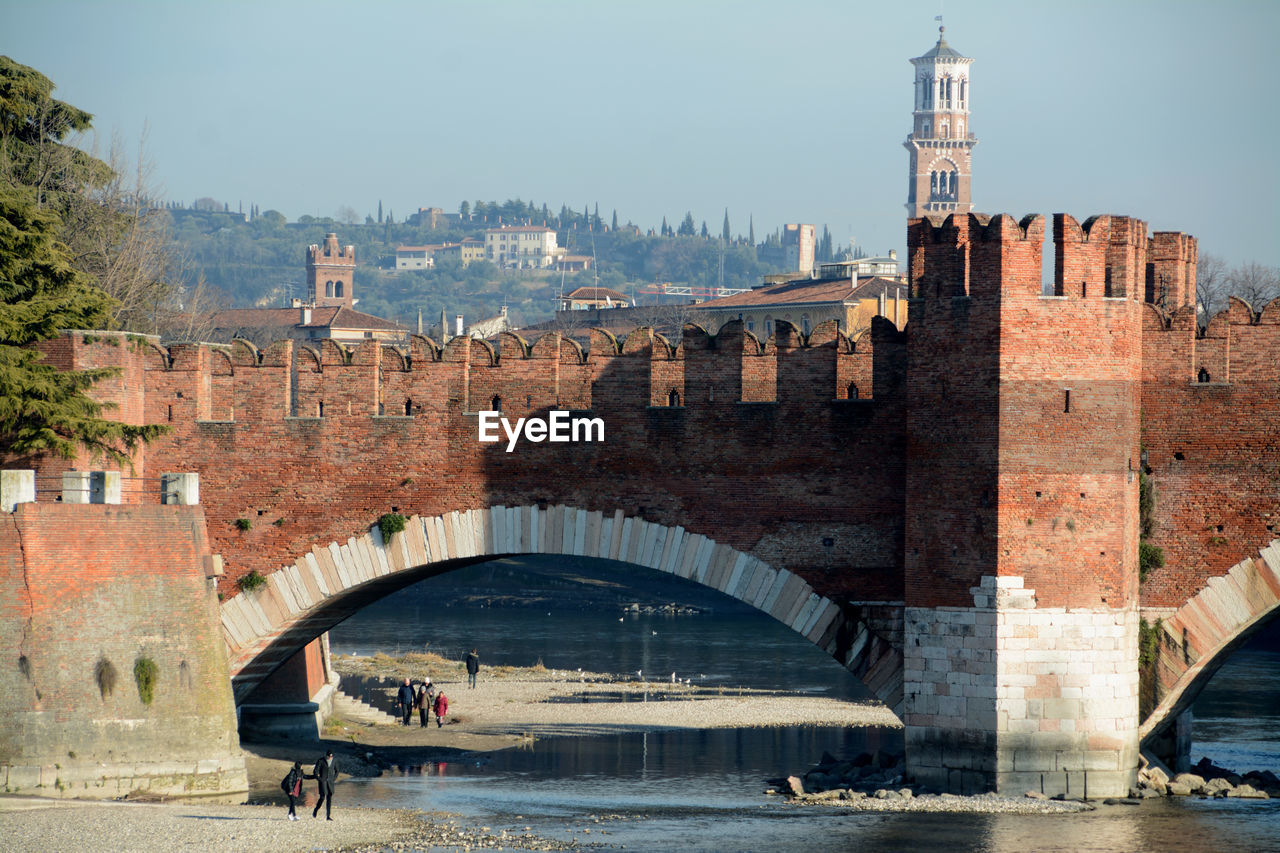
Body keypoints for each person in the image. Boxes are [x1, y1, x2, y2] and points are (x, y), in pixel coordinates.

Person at [307, 750, 338, 820]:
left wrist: (334, 778)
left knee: (329, 798)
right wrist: (319, 779)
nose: (330, 757)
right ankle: (316, 809)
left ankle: (328, 816)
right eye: (329, 756)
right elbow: (315, 771)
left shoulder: (335, 761)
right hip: (322, 782)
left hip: (330, 782)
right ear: (326, 755)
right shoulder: (321, 760)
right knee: (322, 797)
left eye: (331, 756)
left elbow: (337, 770)